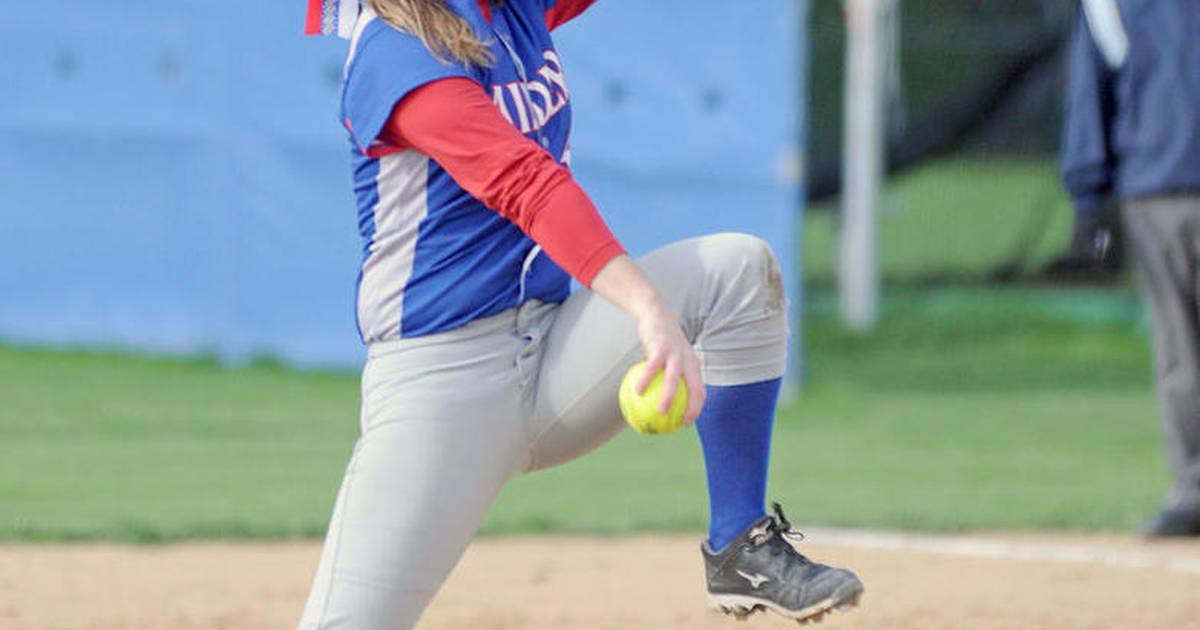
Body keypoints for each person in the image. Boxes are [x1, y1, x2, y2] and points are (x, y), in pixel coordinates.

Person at [294, 0, 864, 627]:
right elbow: (523, 183)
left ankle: (739, 547)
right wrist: (647, 308)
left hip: (555, 353)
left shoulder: (511, 10)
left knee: (736, 272)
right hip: (443, 387)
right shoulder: (395, 50)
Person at [1062, 0, 1200, 537]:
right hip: (1152, 186)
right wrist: (1088, 197)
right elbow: (1090, 93)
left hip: (1152, 181)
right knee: (1179, 352)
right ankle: (1193, 490)